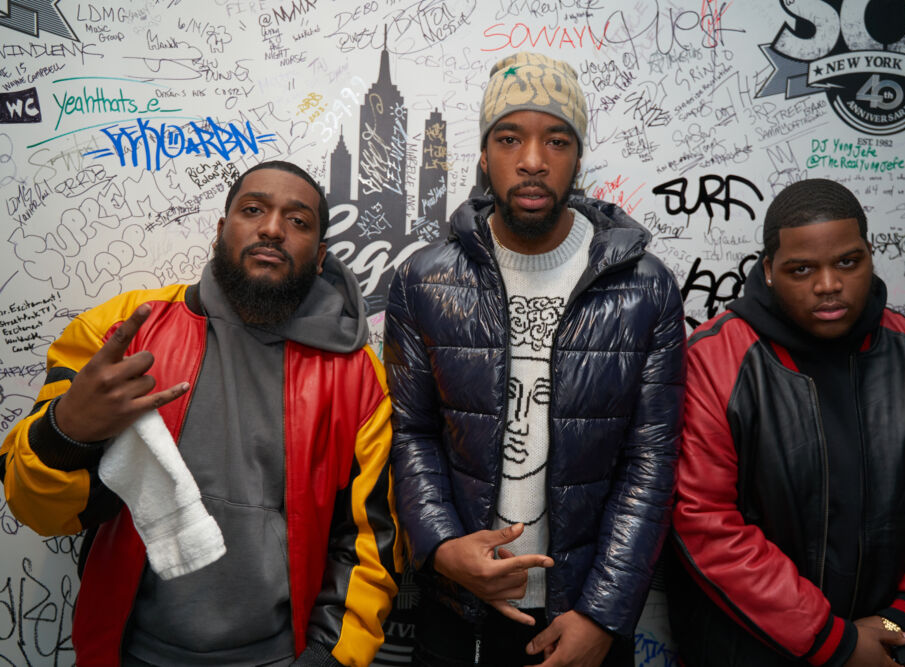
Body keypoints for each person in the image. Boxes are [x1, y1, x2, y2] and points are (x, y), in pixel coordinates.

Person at [1, 161, 401, 666]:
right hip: (129, 653)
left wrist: (328, 656)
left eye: (298, 220)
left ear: (320, 257)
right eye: (252, 210)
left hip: (279, 656)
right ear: (220, 229)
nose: (272, 228)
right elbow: (37, 512)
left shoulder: (356, 377)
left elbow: (368, 542)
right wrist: (66, 434)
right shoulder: (122, 334)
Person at [384, 52, 685, 667]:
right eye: (509, 138)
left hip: (583, 619)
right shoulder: (424, 280)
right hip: (458, 612)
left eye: (556, 140)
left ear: (577, 156)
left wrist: (602, 614)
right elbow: (412, 433)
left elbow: (650, 461)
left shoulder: (644, 287)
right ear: (484, 153)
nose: (531, 160)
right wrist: (442, 548)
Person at [669, 178, 905, 667]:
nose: (828, 285)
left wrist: (901, 625)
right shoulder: (715, 363)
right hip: (748, 653)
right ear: (768, 270)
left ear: (870, 256)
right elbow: (704, 521)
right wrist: (834, 642)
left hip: (888, 650)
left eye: (848, 262)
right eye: (801, 269)